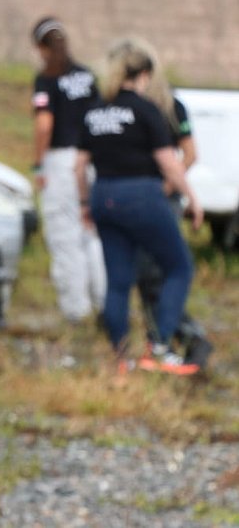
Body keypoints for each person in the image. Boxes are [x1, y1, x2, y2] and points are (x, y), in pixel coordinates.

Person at [75, 37, 204, 375]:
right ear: (145, 73)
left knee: (118, 281)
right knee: (178, 268)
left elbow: (79, 166)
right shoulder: (146, 109)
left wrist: (85, 203)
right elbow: (170, 162)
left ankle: (120, 360)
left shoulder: (96, 110)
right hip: (143, 196)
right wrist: (191, 197)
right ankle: (159, 348)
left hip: (104, 196)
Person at [31, 17, 106, 322]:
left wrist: (38, 164)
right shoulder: (87, 76)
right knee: (93, 233)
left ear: (40, 47)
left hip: (61, 161)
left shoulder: (46, 80)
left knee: (64, 235)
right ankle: (104, 301)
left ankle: (76, 310)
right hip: (90, 159)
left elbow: (44, 123)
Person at [136, 73, 213, 368]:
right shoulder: (133, 108)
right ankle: (159, 339)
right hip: (139, 199)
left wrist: (167, 187)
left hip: (162, 201)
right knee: (145, 275)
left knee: (161, 273)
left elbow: (190, 154)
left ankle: (188, 338)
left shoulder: (173, 107)